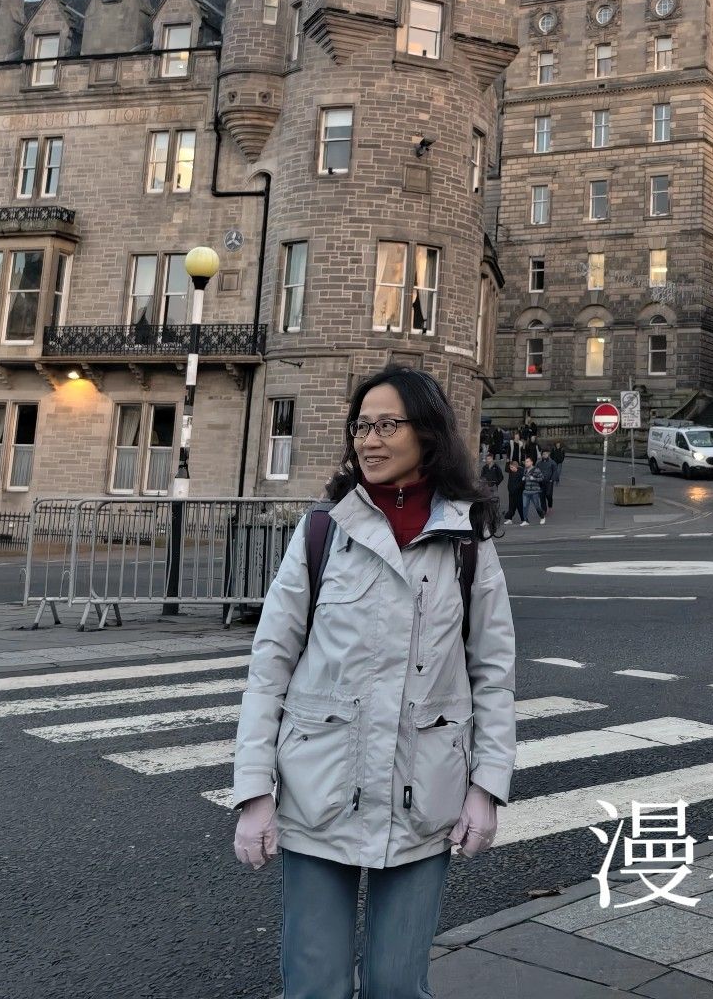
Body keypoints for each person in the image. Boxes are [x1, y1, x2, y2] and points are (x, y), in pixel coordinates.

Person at [231, 366, 515, 999]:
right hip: (319, 793)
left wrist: (486, 788)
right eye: (361, 426)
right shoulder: (322, 531)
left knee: (396, 984)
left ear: (427, 434)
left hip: (424, 797)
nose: (370, 440)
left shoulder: (467, 541)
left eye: (387, 425)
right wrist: (253, 792)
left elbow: (493, 677)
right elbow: (269, 668)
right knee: (315, 984)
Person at [502, 448, 527, 527]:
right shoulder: (511, 472)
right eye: (510, 467)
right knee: (511, 507)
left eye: (512, 467)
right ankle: (509, 519)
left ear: (516, 466)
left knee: (520, 507)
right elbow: (507, 471)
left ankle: (524, 520)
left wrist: (517, 489)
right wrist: (507, 461)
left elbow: (522, 483)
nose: (510, 469)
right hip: (511, 492)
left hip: (518, 493)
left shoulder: (521, 472)